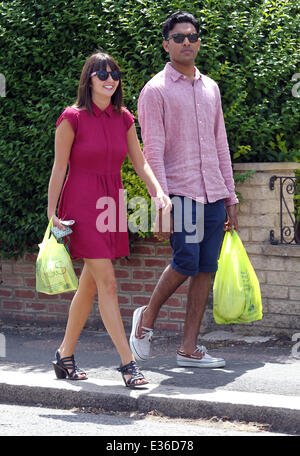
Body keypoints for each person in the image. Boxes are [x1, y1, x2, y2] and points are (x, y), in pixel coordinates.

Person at [47, 51, 172, 387]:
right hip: (82, 205)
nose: (109, 79)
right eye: (101, 74)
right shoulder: (71, 118)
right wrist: (51, 211)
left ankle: (64, 356)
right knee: (109, 284)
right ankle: (128, 364)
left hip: (111, 204)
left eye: (114, 73)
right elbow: (60, 167)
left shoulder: (124, 118)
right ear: (89, 79)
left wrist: (157, 191)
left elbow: (140, 160)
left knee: (89, 286)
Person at [130, 11, 239, 368]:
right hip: (180, 193)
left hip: (213, 194)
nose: (186, 42)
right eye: (179, 37)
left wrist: (230, 197)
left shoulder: (211, 88)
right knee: (185, 261)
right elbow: (153, 152)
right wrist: (161, 205)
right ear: (167, 44)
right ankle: (145, 320)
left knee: (206, 267)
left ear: (198, 41)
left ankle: (188, 349)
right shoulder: (155, 90)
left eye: (192, 36)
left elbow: (220, 144)